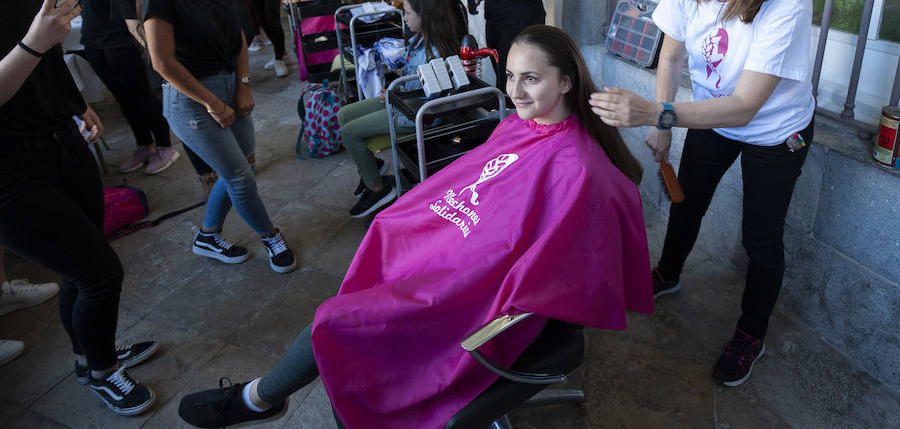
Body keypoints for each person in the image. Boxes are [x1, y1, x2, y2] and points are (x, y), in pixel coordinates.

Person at [177, 24, 652, 428]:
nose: (515, 91)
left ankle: (257, 398)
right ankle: (269, 392)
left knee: (338, 321)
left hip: (483, 298)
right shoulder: (523, 124)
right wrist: (421, 224)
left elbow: (554, 268)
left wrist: (461, 270)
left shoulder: (577, 167)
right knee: (386, 229)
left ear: (567, 82)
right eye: (509, 76)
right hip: (457, 259)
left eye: (531, 78)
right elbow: (482, 189)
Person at [589, 0, 816, 388]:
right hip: (713, 115)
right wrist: (666, 119)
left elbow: (744, 108)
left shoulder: (788, 3)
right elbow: (670, 55)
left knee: (761, 239)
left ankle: (750, 334)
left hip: (776, 133)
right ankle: (668, 273)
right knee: (686, 200)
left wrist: (656, 115)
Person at [0, 0, 157, 415]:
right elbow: (31, 55)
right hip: (8, 175)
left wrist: (75, 105)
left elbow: (47, 65)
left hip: (59, 141)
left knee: (79, 268)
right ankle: (104, 372)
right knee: (99, 273)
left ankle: (90, 355)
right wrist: (34, 41)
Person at [138, 0, 297, 273]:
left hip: (229, 83)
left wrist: (242, 86)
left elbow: (238, 38)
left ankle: (208, 234)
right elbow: (162, 63)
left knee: (245, 167)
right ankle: (271, 235)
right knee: (240, 177)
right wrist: (211, 102)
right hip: (191, 98)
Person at [38, 0, 180, 175]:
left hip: (119, 39)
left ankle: (164, 145)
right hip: (93, 40)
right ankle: (144, 144)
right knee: (122, 98)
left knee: (140, 94)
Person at [110, 0, 216, 191]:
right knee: (187, 117)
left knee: (213, 109)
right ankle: (205, 171)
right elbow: (133, 25)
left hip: (199, 52)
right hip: (163, 58)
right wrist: (163, 50)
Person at [338, 0, 467, 218]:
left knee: (349, 132)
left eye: (407, 13)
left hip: (414, 115)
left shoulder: (436, 53)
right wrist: (391, 90)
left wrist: (394, 94)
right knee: (344, 114)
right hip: (401, 101)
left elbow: (430, 98)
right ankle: (373, 168)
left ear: (424, 16)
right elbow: (411, 79)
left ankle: (378, 189)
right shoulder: (418, 40)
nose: (404, 17)